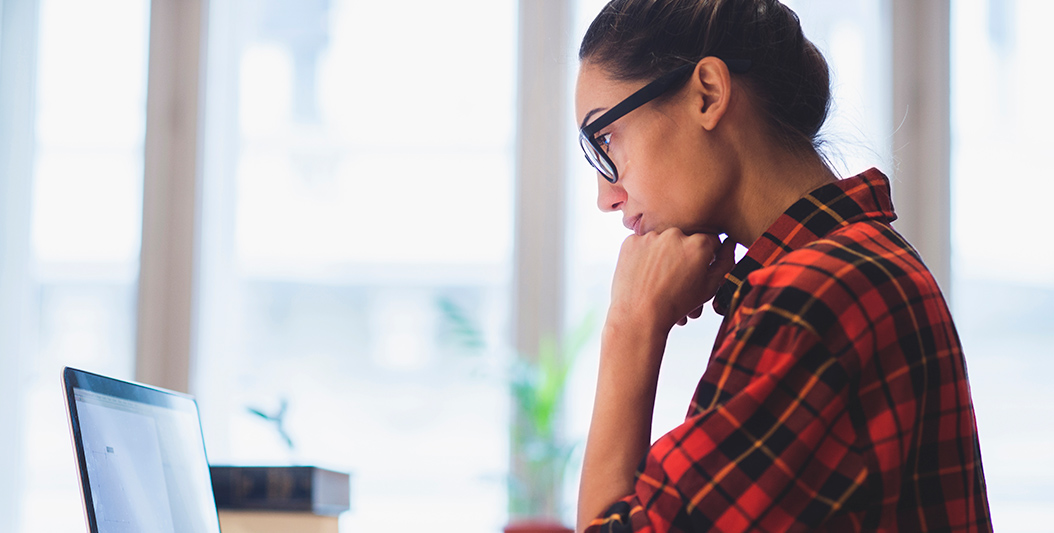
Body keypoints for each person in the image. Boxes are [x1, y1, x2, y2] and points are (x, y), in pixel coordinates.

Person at [573, 0, 992, 531]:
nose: (606, 197)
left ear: (708, 94)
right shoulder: (849, 265)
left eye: (605, 140)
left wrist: (630, 326)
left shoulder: (811, 299)